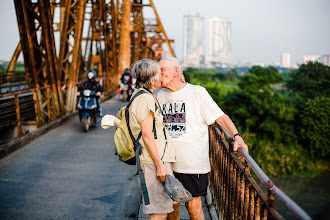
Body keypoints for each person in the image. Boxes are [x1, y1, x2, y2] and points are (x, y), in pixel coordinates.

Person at [157, 57, 249, 220]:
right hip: (168, 163)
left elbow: (220, 118)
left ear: (176, 71)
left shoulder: (197, 92)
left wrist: (236, 136)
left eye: (162, 69)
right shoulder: (159, 95)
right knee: (171, 206)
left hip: (193, 164)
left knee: (194, 207)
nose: (158, 73)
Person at [129, 59, 176, 220]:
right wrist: (160, 165)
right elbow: (147, 134)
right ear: (151, 81)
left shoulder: (143, 95)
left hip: (153, 160)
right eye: (159, 73)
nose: (162, 75)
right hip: (152, 162)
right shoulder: (146, 99)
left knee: (161, 208)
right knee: (159, 211)